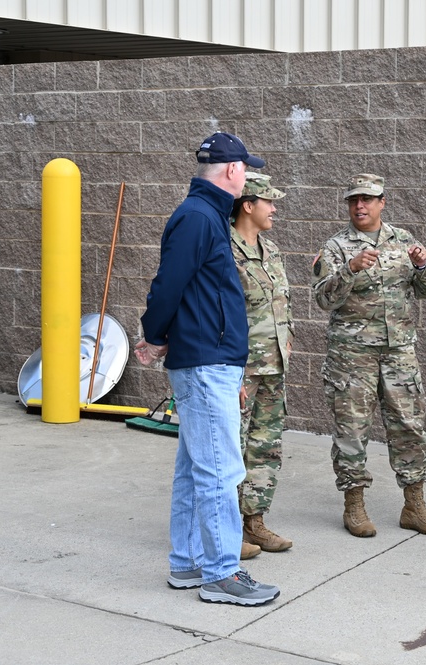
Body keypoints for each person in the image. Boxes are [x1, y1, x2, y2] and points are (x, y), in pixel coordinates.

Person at [134, 131, 279, 606]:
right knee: (220, 470)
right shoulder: (199, 218)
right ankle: (221, 573)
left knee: (196, 469)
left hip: (209, 358)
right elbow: (167, 286)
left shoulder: (206, 215)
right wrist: (154, 337)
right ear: (233, 171)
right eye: (247, 171)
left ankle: (188, 563)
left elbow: (196, 292)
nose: (248, 179)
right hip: (204, 362)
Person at [312, 174, 426, 538]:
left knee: (410, 426)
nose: (360, 205)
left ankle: (414, 504)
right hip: (351, 356)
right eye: (354, 200)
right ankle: (354, 505)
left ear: (382, 202)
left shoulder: (404, 241)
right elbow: (323, 298)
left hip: (399, 352)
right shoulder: (337, 247)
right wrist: (349, 270)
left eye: (368, 199)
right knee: (352, 432)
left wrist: (421, 266)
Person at [230, 172, 294, 553]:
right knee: (232, 448)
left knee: (265, 447)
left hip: (274, 366)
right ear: (248, 205)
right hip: (240, 369)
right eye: (268, 202)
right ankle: (228, 528)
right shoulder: (224, 249)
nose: (274, 209)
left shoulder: (271, 251)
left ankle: (255, 522)